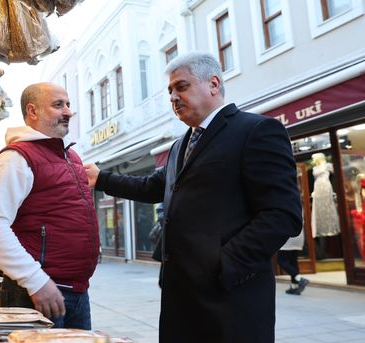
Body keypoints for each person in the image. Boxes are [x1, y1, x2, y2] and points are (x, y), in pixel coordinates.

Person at [84, 51, 302, 342]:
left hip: (231, 302)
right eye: (170, 91)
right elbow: (153, 186)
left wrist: (223, 265)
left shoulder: (256, 131)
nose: (173, 97)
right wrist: (101, 178)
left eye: (181, 86)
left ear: (213, 84)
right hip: (180, 300)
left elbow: (282, 215)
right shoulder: (180, 146)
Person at [0, 82, 99, 330]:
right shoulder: (16, 158)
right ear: (32, 111)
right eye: (58, 105)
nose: (67, 111)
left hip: (76, 293)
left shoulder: (70, 156)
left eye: (68, 104)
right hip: (39, 294)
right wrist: (35, 280)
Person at [277, 225, 309, 295]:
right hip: (299, 237)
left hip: (288, 237)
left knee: (281, 260)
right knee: (293, 261)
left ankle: (299, 279)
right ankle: (295, 286)